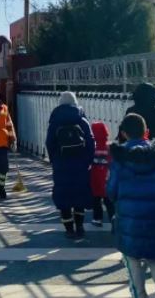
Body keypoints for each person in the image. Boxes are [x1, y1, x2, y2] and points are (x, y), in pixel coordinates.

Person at [108, 113, 155, 298]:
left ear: (124, 133)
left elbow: (111, 191)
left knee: (132, 261)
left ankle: (139, 294)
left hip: (129, 222)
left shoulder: (119, 160)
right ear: (146, 131)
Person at [45, 91, 95, 238]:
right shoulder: (81, 119)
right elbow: (91, 141)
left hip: (61, 164)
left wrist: (54, 160)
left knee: (64, 195)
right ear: (75, 102)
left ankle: (69, 229)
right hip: (80, 164)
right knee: (79, 194)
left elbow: (49, 142)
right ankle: (80, 226)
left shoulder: (55, 121)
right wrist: (88, 160)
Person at [90, 121, 115, 227]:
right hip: (106, 178)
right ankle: (113, 218)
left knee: (96, 199)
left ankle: (97, 219)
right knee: (108, 200)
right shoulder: (109, 147)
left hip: (95, 177)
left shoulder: (93, 148)